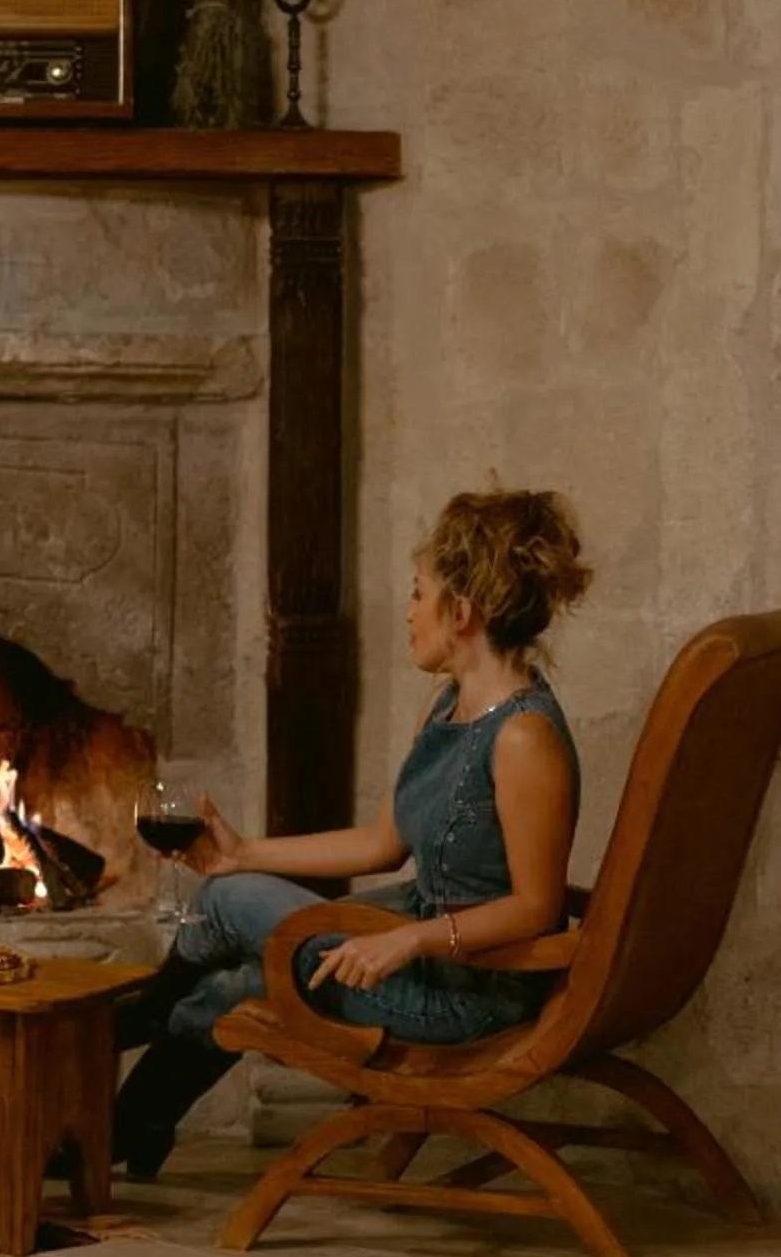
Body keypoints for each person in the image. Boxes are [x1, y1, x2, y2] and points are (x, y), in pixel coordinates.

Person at [113, 487, 592, 1178]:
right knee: (233, 984)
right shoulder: (451, 704)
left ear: (461, 613)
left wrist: (410, 938)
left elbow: (536, 908)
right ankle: (131, 1126)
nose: (406, 611)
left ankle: (140, 1017)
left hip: (463, 992)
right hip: (413, 949)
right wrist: (243, 850)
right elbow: (382, 844)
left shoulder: (524, 737)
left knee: (225, 903)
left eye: (417, 593)